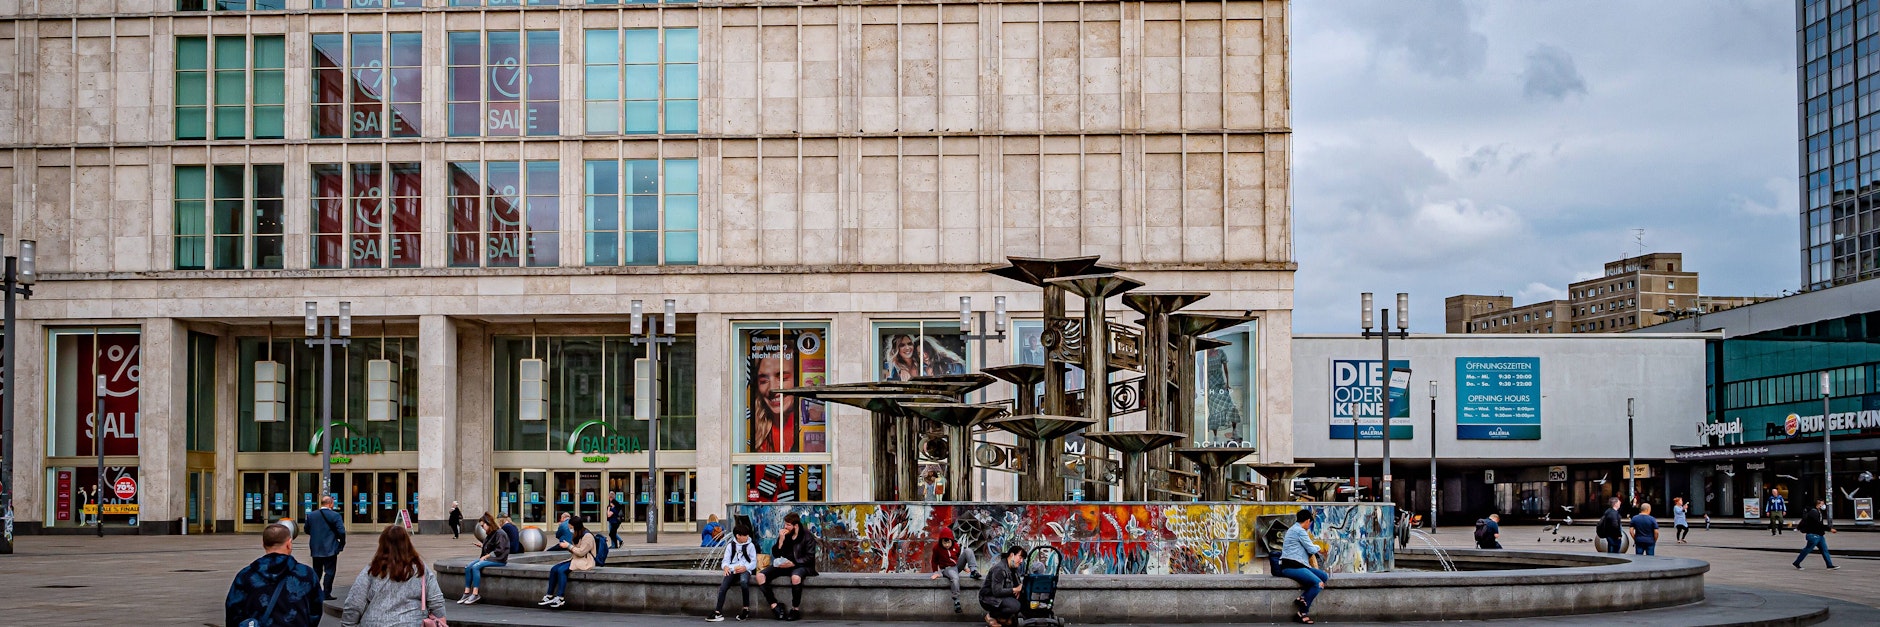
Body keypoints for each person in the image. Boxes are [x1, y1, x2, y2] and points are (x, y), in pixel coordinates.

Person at [339, 525, 446, 627]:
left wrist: (348, 624)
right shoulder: (420, 569)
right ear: (407, 543)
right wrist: (440, 620)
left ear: (382, 544)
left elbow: (354, 603)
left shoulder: (372, 570)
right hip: (412, 622)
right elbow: (436, 601)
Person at [225, 523, 324, 627]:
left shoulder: (245, 575)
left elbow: (233, 611)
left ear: (264, 544)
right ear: (289, 543)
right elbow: (315, 610)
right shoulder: (306, 574)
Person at [757, 512, 819, 621]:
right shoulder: (785, 535)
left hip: (801, 565)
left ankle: (795, 609)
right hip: (784, 565)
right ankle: (774, 605)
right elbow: (776, 554)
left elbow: (810, 557)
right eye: (785, 524)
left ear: (795, 526)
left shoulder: (807, 536)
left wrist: (794, 563)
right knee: (760, 576)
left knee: (795, 578)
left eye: (788, 525)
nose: (785, 527)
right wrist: (781, 540)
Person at [1275, 508, 1330, 625]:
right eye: (1310, 522)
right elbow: (1311, 548)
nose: (1310, 525)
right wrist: (1319, 547)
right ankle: (1302, 613)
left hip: (1298, 565)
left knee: (1323, 576)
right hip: (1292, 567)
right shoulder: (1299, 531)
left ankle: (1303, 598)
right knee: (1318, 583)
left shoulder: (1293, 529)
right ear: (1307, 521)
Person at [539, 517, 597, 608]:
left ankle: (560, 597)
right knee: (554, 569)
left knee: (562, 570)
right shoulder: (577, 534)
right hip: (576, 559)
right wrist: (566, 546)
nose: (570, 529)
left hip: (585, 561)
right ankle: (549, 595)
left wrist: (569, 546)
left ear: (575, 526)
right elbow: (575, 550)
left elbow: (581, 552)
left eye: (571, 527)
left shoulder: (587, 536)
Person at [708, 524, 759, 622]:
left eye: (747, 535)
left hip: (745, 569)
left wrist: (745, 568)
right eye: (745, 535)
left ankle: (745, 609)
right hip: (732, 569)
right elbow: (725, 560)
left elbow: (753, 562)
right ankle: (718, 612)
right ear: (738, 536)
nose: (747, 537)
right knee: (723, 587)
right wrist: (726, 567)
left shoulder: (751, 545)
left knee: (744, 582)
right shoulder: (730, 545)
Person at [459, 513, 508, 605]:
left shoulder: (500, 533)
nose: (482, 528)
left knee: (476, 567)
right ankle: (466, 592)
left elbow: (500, 550)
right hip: (491, 558)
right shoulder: (491, 533)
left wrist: (486, 556)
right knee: (468, 567)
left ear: (488, 523)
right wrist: (482, 546)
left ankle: (475, 593)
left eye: (483, 525)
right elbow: (492, 547)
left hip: (499, 560)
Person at [306, 494, 348, 601]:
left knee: (316, 571)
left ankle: (314, 592)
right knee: (329, 571)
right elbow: (341, 531)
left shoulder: (311, 515)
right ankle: (326, 593)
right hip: (330, 547)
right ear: (330, 504)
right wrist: (341, 543)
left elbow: (307, 529)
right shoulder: (335, 516)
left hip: (316, 548)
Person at [978, 545, 1025, 627]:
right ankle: (992, 616)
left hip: (1002, 597)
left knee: (1023, 600)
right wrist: (1014, 590)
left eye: (1023, 559)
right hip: (988, 598)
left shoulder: (1013, 569)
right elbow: (997, 591)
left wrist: (1019, 590)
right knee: (1015, 606)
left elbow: (1018, 584)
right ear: (1012, 555)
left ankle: (1003, 619)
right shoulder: (1000, 569)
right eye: (1020, 557)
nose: (1021, 561)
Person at [929, 527, 973, 613]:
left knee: (968, 551)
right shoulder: (937, 548)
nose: (947, 545)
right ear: (941, 542)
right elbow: (934, 561)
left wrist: (964, 567)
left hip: (956, 566)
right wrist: (936, 572)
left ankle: (974, 570)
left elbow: (956, 558)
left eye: (948, 543)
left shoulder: (956, 546)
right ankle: (956, 600)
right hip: (947, 569)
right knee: (955, 578)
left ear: (951, 541)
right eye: (944, 543)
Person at [1791, 499, 1839, 570]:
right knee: (1807, 550)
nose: (1823, 505)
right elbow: (1818, 524)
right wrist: (1829, 529)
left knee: (1824, 550)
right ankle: (1797, 562)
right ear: (1818, 504)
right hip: (1813, 535)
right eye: (1822, 504)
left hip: (1819, 535)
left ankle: (1829, 565)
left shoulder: (1818, 512)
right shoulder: (1814, 512)